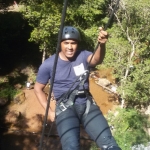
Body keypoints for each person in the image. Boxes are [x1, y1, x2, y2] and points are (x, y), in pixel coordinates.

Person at [34, 26, 121, 150]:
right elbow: (38, 89)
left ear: (77, 44)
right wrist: (49, 111)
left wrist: (101, 45)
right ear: (60, 43)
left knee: (110, 144)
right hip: (65, 109)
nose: (70, 47)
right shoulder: (48, 65)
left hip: (87, 105)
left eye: (73, 43)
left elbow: (96, 59)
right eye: (66, 43)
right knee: (71, 147)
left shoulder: (83, 55)